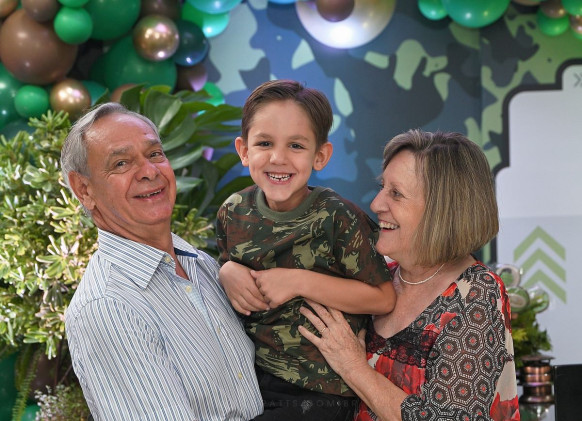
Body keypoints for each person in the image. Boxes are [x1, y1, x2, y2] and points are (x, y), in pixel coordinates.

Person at [299, 129, 520, 421]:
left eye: (396, 194)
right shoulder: (378, 278)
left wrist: (353, 367)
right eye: (382, 187)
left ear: (442, 212)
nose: (376, 204)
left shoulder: (476, 293)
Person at [61, 102, 263, 421]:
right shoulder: (108, 306)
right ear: (84, 189)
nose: (150, 171)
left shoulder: (202, 265)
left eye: (154, 154)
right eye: (121, 163)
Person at [216, 79, 396, 420]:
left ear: (320, 156)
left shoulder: (337, 217)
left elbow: (383, 298)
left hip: (319, 388)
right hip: (248, 379)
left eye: (296, 145)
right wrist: (227, 272)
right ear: (244, 150)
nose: (278, 158)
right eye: (264, 143)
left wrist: (298, 281)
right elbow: (228, 267)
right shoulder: (233, 211)